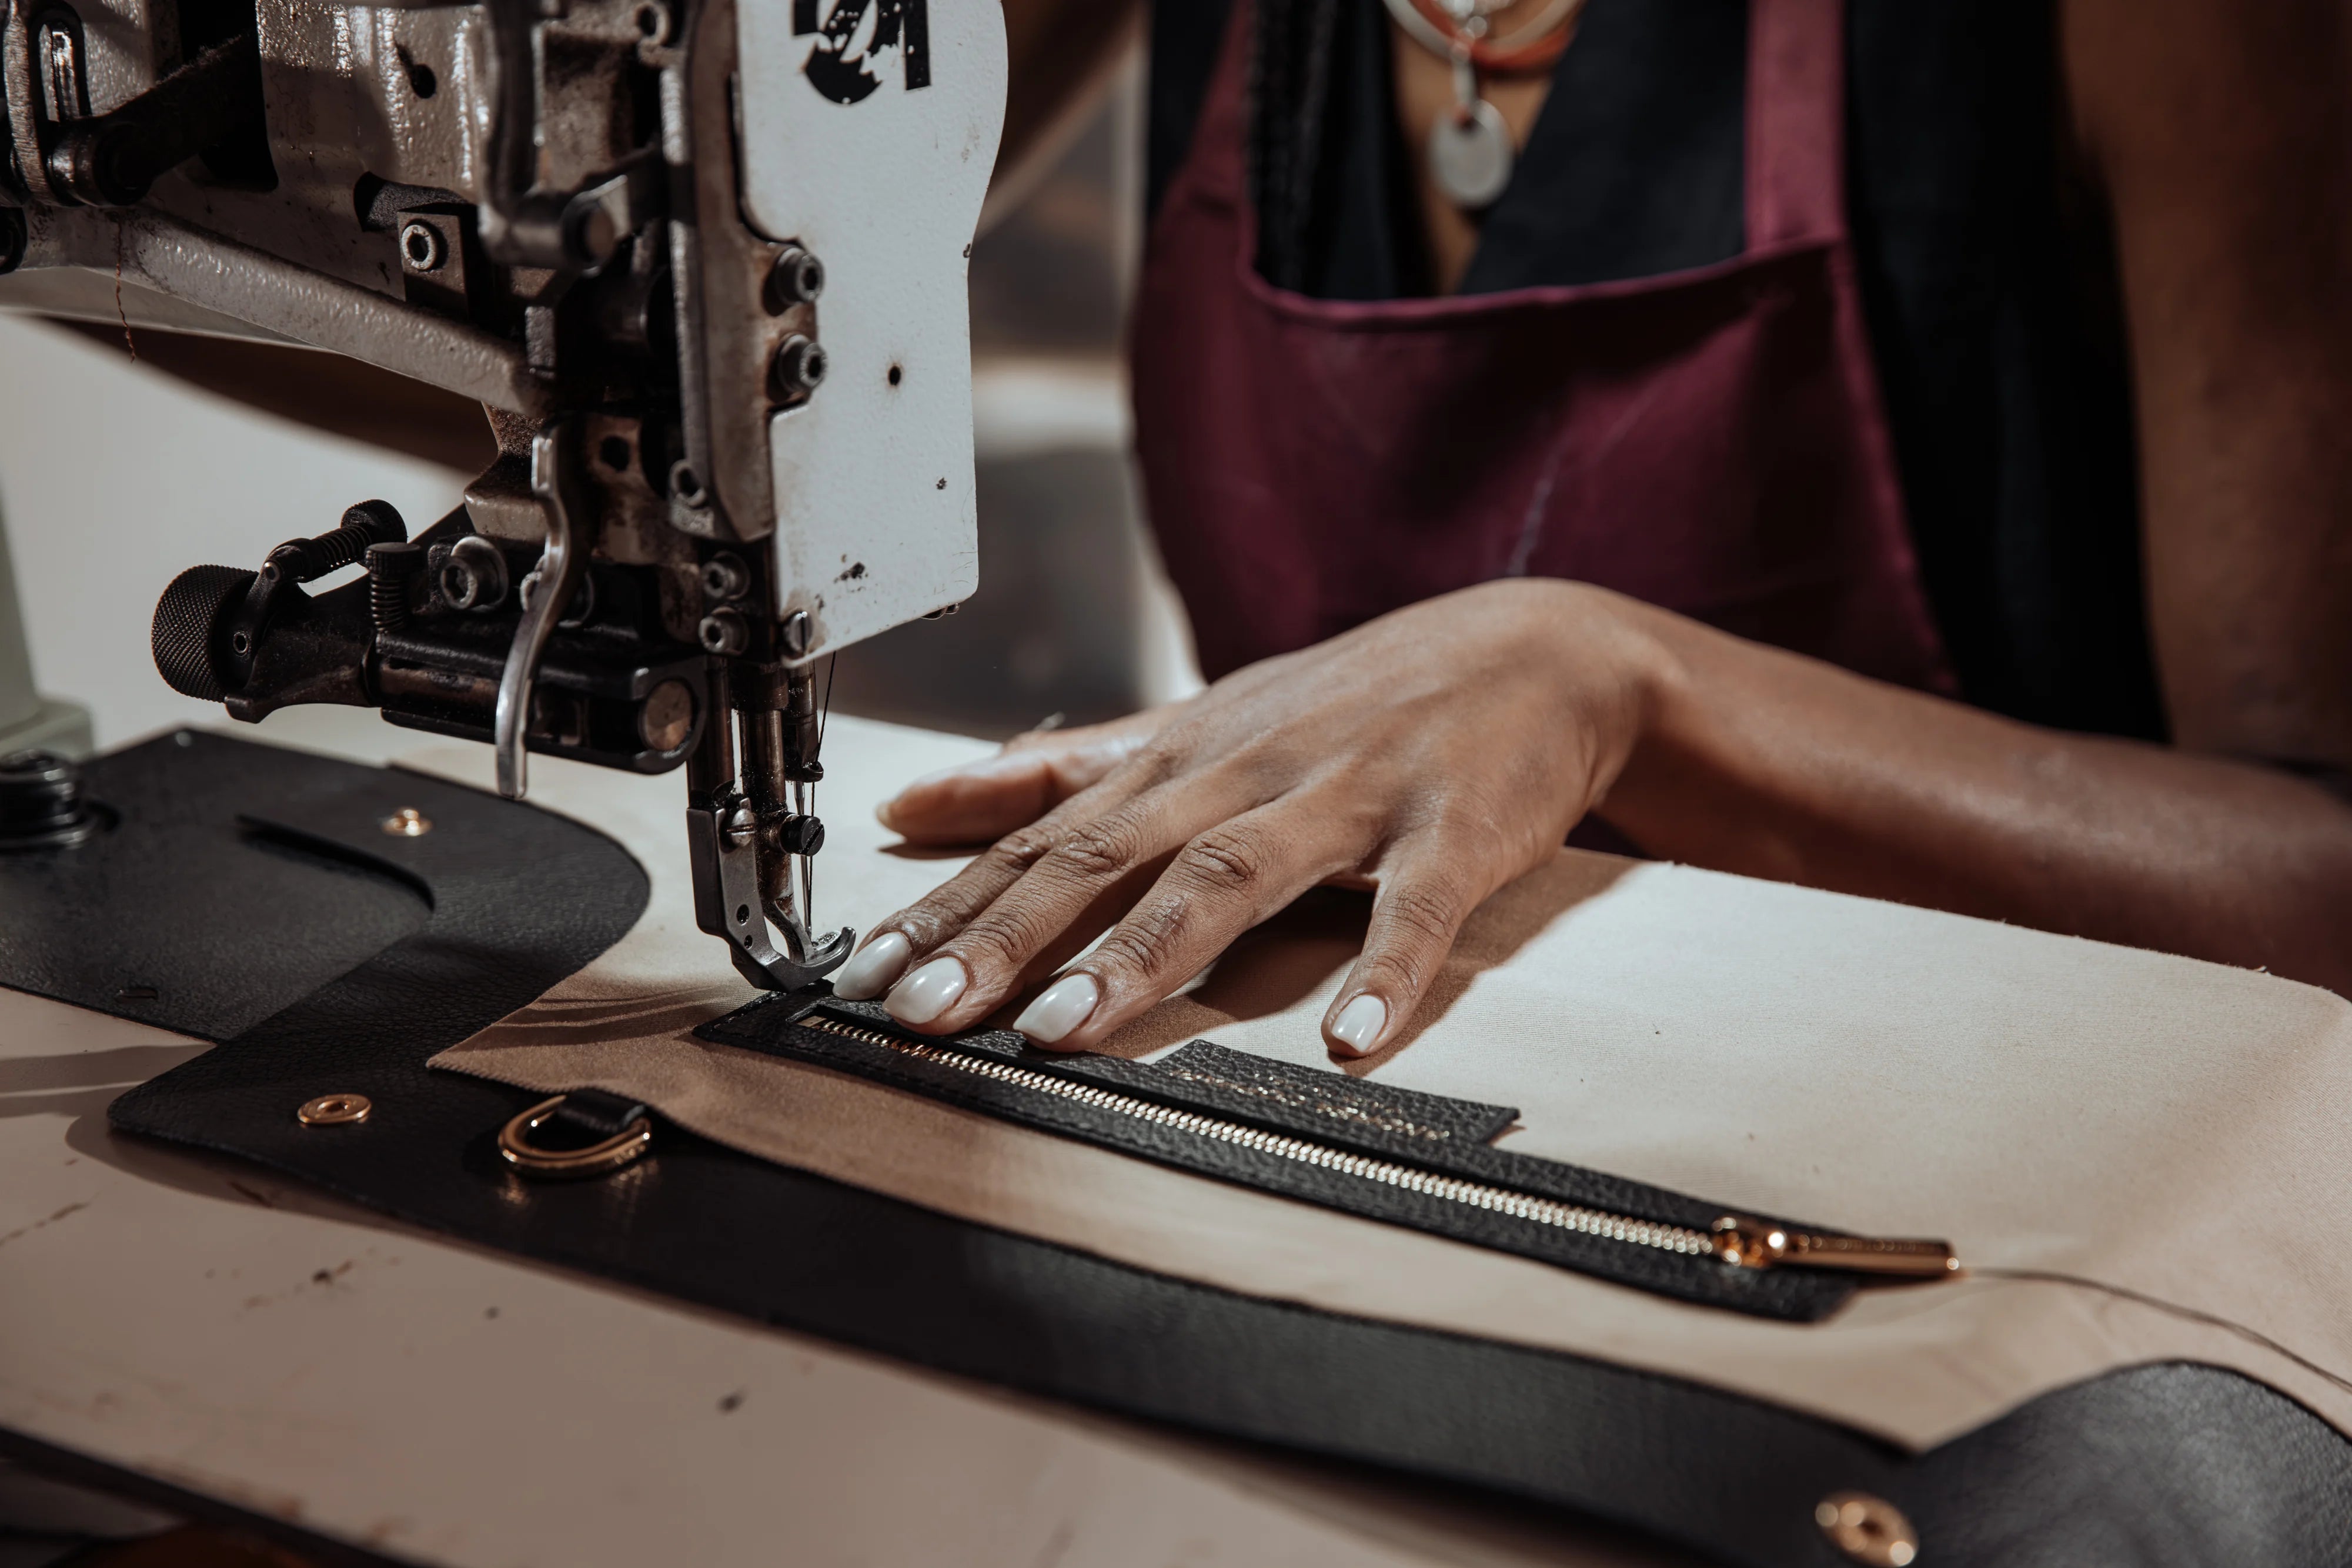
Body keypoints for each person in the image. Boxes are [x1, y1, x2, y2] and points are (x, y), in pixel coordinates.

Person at [828, 0, 2352, 1056]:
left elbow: (2317, 885)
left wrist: (1616, 685)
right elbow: (755, 194)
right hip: (1361, 1118)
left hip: (1991, 1192)